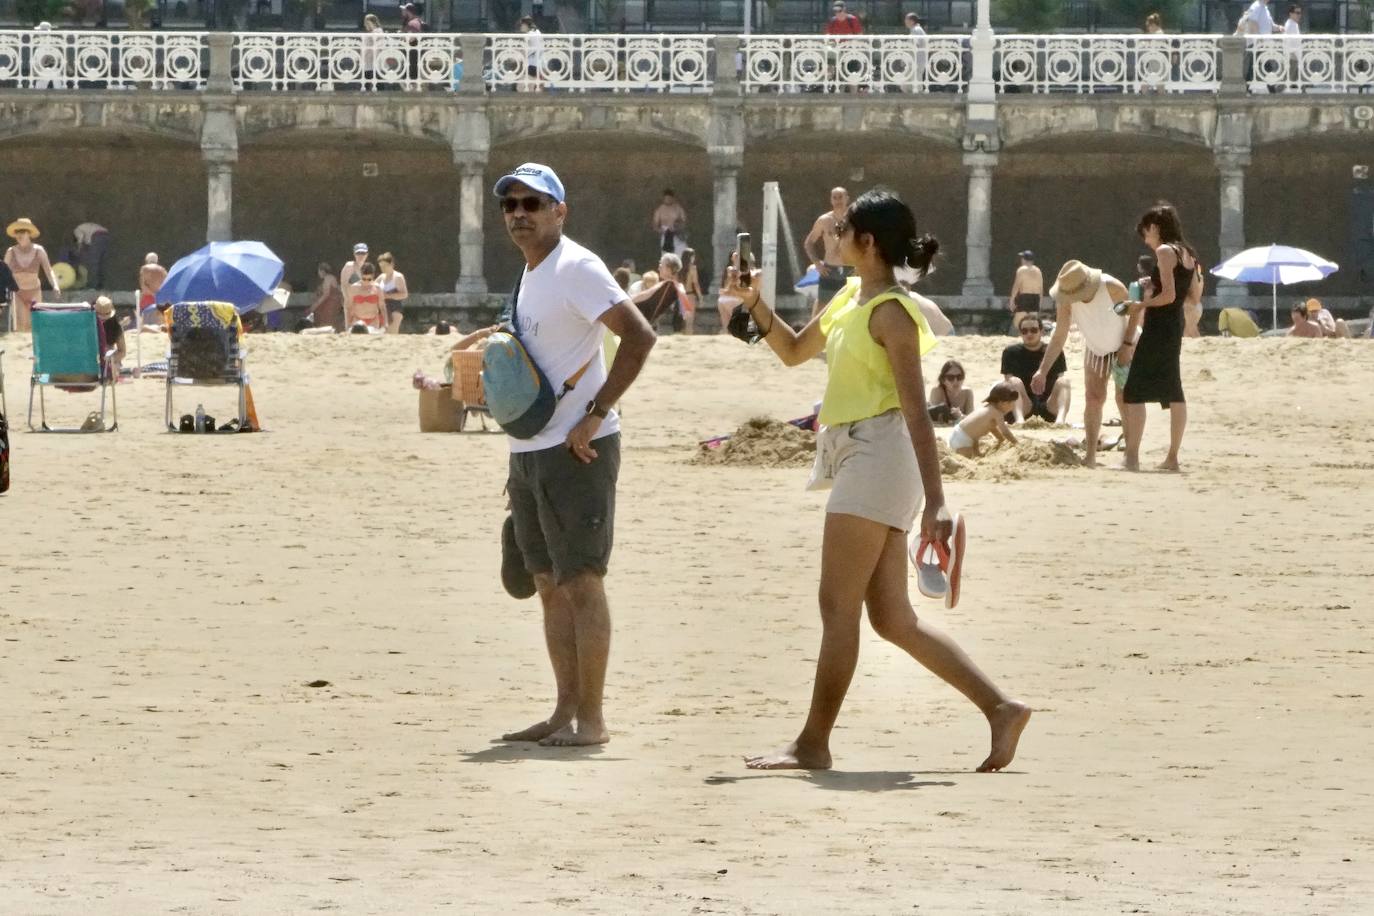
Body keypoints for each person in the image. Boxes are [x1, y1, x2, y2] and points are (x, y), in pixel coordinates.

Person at [723, 187, 1030, 772]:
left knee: (836, 606)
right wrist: (755, 303)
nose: (832, 238)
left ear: (867, 242)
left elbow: (918, 412)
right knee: (891, 618)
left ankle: (812, 743)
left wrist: (938, 501)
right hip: (858, 453)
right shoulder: (850, 297)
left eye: (841, 231)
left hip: (880, 454)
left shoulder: (891, 312)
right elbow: (791, 351)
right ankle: (1001, 707)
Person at [493, 163, 656, 748]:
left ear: (560, 211)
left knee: (582, 581)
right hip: (530, 447)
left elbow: (640, 336)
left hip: (577, 449)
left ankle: (593, 719)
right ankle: (563, 710)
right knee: (547, 583)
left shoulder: (576, 266)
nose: (519, 213)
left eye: (532, 203)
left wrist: (595, 414)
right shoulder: (530, 274)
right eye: (510, 204)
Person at [1035, 260, 1139, 467]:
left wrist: (1127, 346)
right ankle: (1090, 455)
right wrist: (1042, 370)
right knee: (1093, 398)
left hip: (1125, 344)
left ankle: (1131, 456)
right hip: (1096, 348)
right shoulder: (1066, 296)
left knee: (1124, 398)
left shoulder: (1112, 287)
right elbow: (1060, 334)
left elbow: (1134, 313)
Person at [1123, 202, 1199, 472]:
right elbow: (1193, 295)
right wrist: (1152, 286)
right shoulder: (1188, 253)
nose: (1145, 239)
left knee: (1133, 390)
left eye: (1146, 232)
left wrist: (1141, 305)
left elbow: (1169, 295)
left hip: (1160, 323)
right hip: (1174, 322)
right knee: (1173, 388)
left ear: (1154, 227)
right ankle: (1172, 457)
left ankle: (1131, 457)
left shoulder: (1166, 251)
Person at [1000, 314, 1069, 424]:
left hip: (1048, 405)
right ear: (1020, 333)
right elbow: (1008, 382)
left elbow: (1059, 380)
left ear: (1041, 331)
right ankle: (1019, 420)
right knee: (1013, 381)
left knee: (1064, 382)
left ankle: (1060, 421)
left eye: (1033, 330)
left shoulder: (1054, 352)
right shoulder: (1011, 352)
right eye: (1025, 331)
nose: (1029, 334)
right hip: (1023, 405)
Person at [803, 186, 851, 317]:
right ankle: (812, 336)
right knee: (821, 308)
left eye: (840, 197)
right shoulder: (824, 220)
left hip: (850, 269)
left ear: (847, 198)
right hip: (829, 270)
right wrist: (817, 263)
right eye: (834, 197)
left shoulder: (855, 220)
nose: (838, 200)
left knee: (852, 307)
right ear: (831, 200)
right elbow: (809, 242)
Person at [4, 218, 60, 332]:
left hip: (34, 291)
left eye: (23, 232)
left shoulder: (39, 250)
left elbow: (48, 270)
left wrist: (55, 286)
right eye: (17, 232)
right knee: (20, 325)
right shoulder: (11, 251)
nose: (20, 235)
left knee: (35, 324)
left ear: (29, 234)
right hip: (18, 293)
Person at [949, 383, 1020, 458]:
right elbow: (1005, 432)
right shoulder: (997, 413)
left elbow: (993, 429)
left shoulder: (986, 408)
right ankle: (974, 454)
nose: (1012, 408)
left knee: (975, 436)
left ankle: (977, 454)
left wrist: (1001, 439)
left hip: (958, 433)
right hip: (963, 440)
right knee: (966, 459)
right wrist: (1016, 443)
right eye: (1011, 404)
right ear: (1002, 403)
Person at [927, 359, 974, 424]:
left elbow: (972, 419)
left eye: (959, 377)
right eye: (950, 378)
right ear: (943, 380)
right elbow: (934, 418)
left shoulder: (967, 392)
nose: (956, 381)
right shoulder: (937, 391)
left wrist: (960, 416)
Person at [1008, 250, 1043, 332]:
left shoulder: (1021, 270)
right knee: (1032, 322)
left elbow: (1016, 285)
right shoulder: (1038, 270)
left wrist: (1012, 299)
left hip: (1025, 297)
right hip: (1035, 297)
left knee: (1018, 322)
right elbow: (1041, 288)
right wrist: (1040, 301)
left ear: (1024, 259)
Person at [346, 262, 387, 331]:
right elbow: (349, 307)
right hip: (357, 320)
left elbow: (382, 307)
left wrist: (385, 323)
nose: (366, 282)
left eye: (369, 279)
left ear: (373, 276)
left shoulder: (377, 288)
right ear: (360, 275)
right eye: (364, 279)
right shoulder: (353, 288)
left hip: (373, 320)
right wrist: (348, 323)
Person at [92, 295, 126, 375]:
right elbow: (122, 351)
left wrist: (107, 359)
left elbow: (122, 352)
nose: (103, 320)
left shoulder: (116, 327)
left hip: (106, 360)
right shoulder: (87, 325)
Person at [306, 262, 344, 331]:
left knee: (326, 321)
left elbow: (326, 294)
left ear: (322, 271)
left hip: (330, 303)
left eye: (318, 271)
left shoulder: (328, 278)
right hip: (331, 303)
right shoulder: (329, 278)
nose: (318, 273)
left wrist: (315, 305)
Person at [377, 252, 409, 334]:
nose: (383, 268)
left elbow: (404, 294)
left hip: (395, 309)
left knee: (392, 333)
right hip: (382, 309)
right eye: (381, 266)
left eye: (385, 266)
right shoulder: (381, 277)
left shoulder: (398, 277)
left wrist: (387, 295)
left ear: (391, 264)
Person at [72, 222, 109, 289]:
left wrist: (78, 250)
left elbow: (80, 240)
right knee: (101, 263)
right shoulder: (87, 231)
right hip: (106, 235)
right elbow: (89, 246)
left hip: (97, 235)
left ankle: (92, 286)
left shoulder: (76, 230)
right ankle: (101, 286)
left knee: (93, 263)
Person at [651, 189, 687, 256]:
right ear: (664, 198)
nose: (668, 200)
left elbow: (683, 221)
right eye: (666, 198)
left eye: (669, 198)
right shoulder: (660, 210)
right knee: (667, 256)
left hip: (677, 234)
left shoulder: (678, 208)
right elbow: (655, 224)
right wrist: (660, 230)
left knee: (681, 254)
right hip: (665, 234)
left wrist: (677, 227)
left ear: (672, 198)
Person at [138, 252, 167, 327]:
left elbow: (143, 286)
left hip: (147, 298)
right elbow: (165, 285)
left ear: (147, 260)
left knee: (145, 321)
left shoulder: (144, 269)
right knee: (158, 322)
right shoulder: (162, 270)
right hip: (159, 298)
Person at [340, 242, 368, 320]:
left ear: (367, 254)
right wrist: (348, 300)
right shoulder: (349, 266)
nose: (361, 255)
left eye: (363, 253)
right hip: (351, 302)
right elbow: (344, 285)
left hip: (365, 303)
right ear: (354, 254)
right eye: (358, 253)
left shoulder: (367, 267)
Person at [680, 247, 703, 335]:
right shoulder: (692, 268)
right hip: (689, 295)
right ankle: (689, 336)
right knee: (690, 320)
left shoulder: (679, 269)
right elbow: (696, 283)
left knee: (684, 319)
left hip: (681, 294)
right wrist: (700, 297)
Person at [716, 261, 742, 334]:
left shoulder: (728, 280)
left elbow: (724, 291)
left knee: (726, 323)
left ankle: (725, 332)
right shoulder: (737, 280)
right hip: (734, 301)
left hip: (723, 301)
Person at [519, 16, 543, 92]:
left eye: (521, 25)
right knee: (531, 87)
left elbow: (525, 49)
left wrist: (517, 57)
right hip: (538, 64)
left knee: (520, 87)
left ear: (525, 25)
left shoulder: (529, 34)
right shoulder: (538, 32)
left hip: (530, 64)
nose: (521, 28)